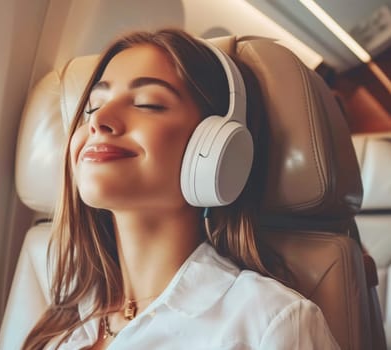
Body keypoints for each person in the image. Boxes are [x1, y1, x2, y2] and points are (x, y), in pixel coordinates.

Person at [22, 28, 339, 349]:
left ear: (216, 147)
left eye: (147, 104)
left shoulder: (270, 323)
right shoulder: (64, 318)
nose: (99, 120)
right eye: (92, 106)